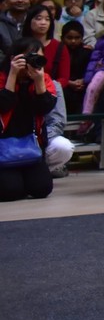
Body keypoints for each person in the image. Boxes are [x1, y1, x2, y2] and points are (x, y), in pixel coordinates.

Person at [0, 42, 56, 201]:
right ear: (14, 58)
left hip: (30, 144)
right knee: (10, 191)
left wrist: (39, 81)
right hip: (3, 145)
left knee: (42, 188)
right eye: (29, 57)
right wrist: (13, 74)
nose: (33, 61)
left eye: (38, 57)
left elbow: (45, 108)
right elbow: (3, 105)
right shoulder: (2, 77)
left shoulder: (43, 78)